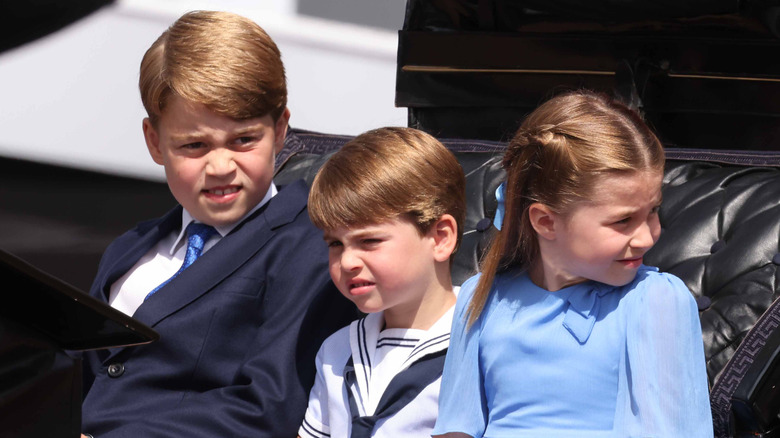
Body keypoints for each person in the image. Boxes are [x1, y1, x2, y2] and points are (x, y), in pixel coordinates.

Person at [79, 11, 354, 437]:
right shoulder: (128, 249)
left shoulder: (315, 249)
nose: (222, 165)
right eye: (194, 145)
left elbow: (267, 407)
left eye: (244, 140)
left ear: (281, 130)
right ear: (154, 141)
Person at [432, 90, 713, 437]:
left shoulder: (655, 300)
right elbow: (457, 428)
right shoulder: (482, 297)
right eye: (622, 221)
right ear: (546, 222)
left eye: (652, 211)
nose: (646, 237)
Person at [297, 127, 466, 438]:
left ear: (440, 238)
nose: (347, 261)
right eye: (335, 244)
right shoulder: (336, 351)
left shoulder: (478, 346)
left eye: (370, 240)